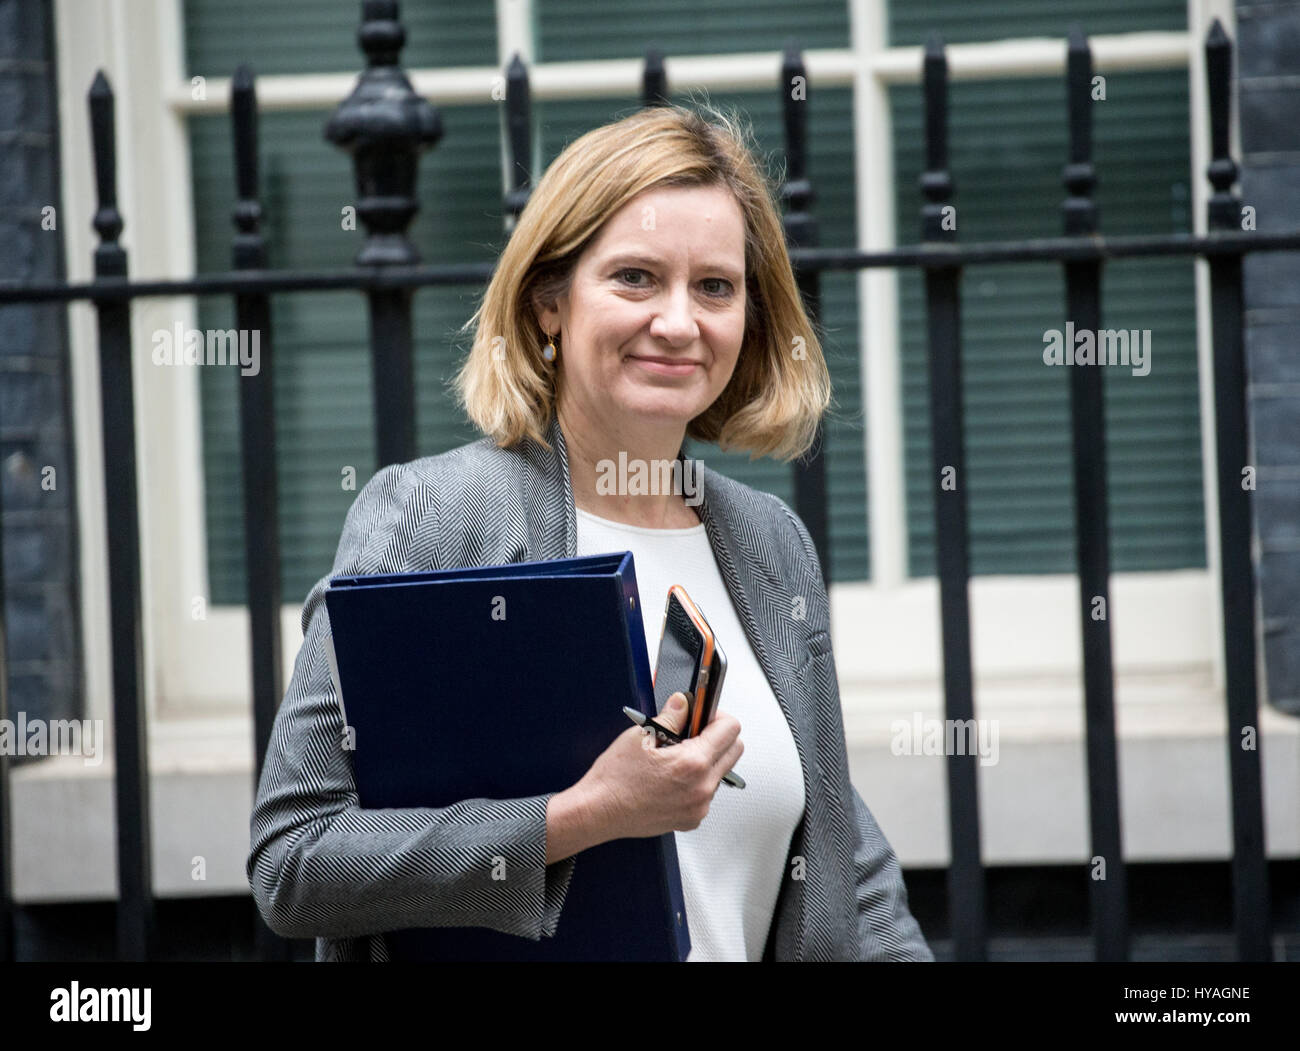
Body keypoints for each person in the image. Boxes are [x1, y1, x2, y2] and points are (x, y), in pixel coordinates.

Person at [247, 102, 933, 962]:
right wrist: (582, 815)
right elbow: (294, 861)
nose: (680, 322)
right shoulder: (431, 516)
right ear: (548, 303)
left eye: (715, 286)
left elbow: (846, 872)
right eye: (636, 277)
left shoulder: (770, 543)